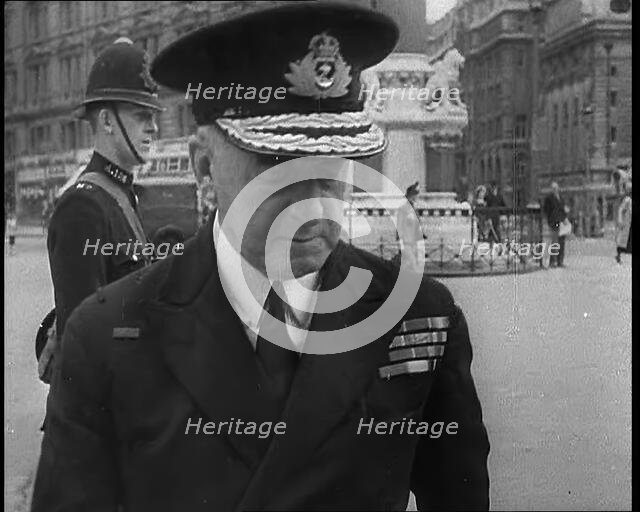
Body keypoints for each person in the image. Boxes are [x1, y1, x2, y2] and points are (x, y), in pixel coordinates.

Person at [32, 5, 489, 511]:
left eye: (336, 165)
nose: (315, 204)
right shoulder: (104, 339)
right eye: (280, 164)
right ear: (203, 161)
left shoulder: (419, 320)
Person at [36, 37, 163, 384]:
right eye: (141, 115)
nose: (153, 126)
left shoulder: (125, 196)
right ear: (107, 121)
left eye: (153, 115)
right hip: (102, 416)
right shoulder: (83, 206)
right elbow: (86, 336)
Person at [396, 181, 424, 272]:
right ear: (410, 196)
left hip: (415, 243)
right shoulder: (403, 209)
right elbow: (399, 226)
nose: (416, 197)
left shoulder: (414, 210)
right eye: (415, 195)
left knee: (408, 267)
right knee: (414, 267)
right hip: (406, 242)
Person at [543, 181, 568, 268]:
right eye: (553, 188)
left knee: (562, 242)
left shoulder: (561, 197)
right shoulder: (549, 198)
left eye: (556, 188)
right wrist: (550, 219)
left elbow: (563, 209)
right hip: (554, 222)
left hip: (562, 222)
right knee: (555, 242)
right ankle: (552, 261)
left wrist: (565, 218)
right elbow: (546, 210)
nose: (555, 189)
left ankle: (560, 261)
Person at [615, 181, 632, 263]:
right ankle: (618, 255)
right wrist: (620, 219)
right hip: (628, 224)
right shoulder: (627, 200)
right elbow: (621, 209)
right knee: (623, 241)